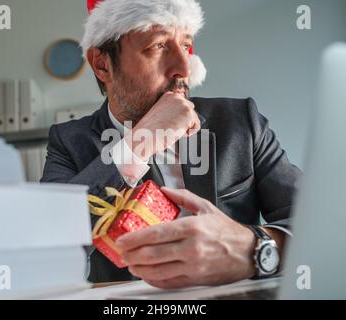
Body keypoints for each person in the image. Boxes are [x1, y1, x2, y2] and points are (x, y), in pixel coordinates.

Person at [41, 0, 302, 288]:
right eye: (158, 46)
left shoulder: (241, 121)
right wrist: (140, 142)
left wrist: (254, 249)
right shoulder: (68, 142)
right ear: (102, 65)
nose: (183, 67)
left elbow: (315, 226)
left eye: (187, 46)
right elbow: (49, 252)